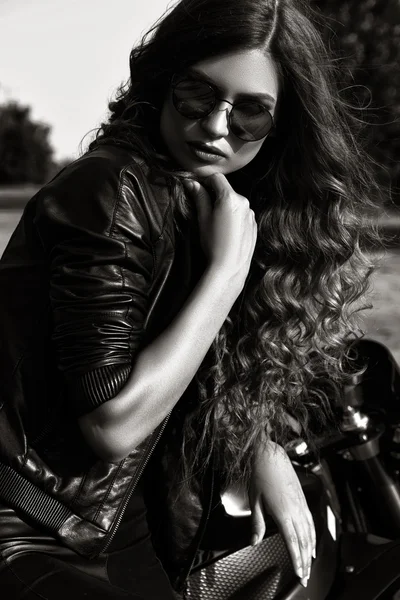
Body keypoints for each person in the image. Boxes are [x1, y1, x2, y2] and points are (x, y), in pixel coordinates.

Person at [0, 0, 380, 598]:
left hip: (118, 530)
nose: (215, 126)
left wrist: (259, 445)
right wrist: (226, 275)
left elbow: (194, 361)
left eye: (250, 111)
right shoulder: (112, 191)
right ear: (162, 82)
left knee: (311, 566)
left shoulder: (205, 202)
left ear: (283, 126)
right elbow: (111, 423)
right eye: (197, 96)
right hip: (33, 524)